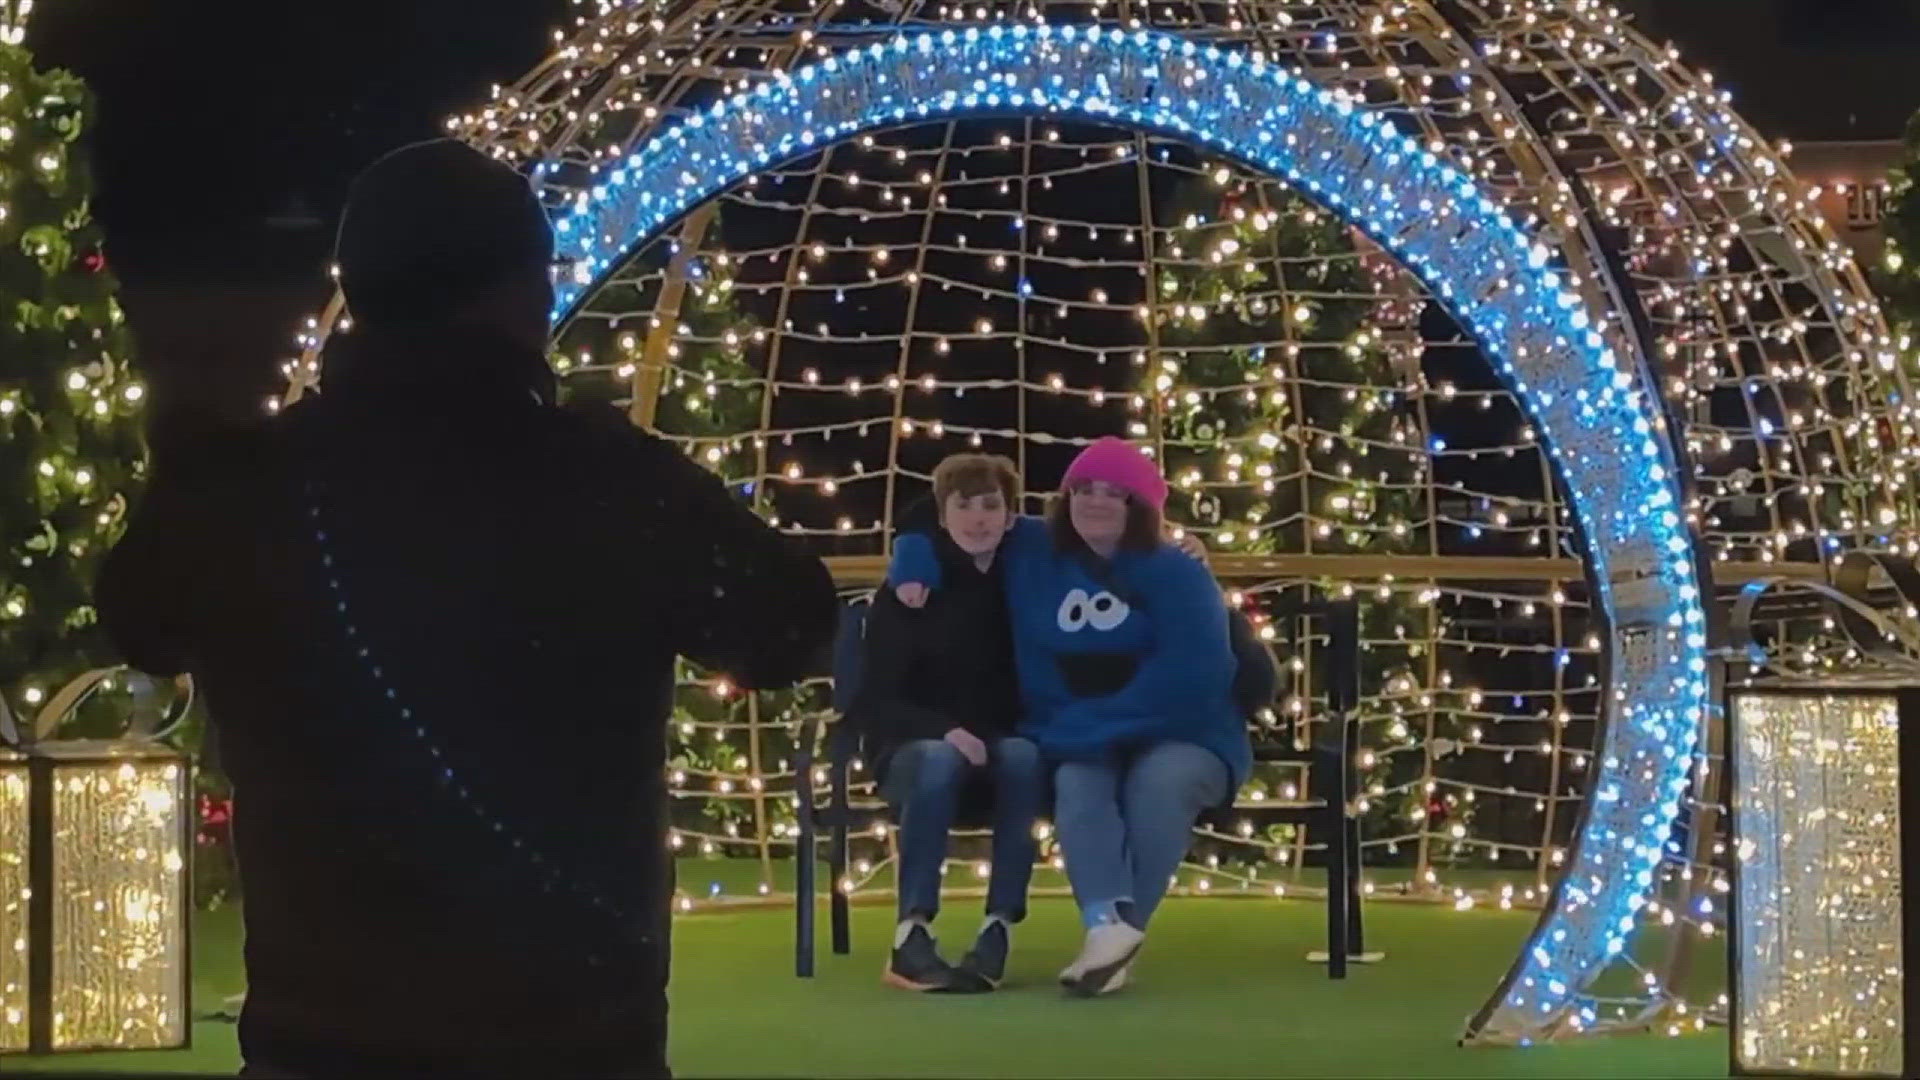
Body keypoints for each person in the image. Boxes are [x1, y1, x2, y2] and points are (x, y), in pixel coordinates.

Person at [95, 139, 838, 1079]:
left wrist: (191, 442)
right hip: (572, 1037)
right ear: (522, 292)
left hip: (319, 1033)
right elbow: (791, 622)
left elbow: (139, 619)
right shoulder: (604, 480)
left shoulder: (248, 486)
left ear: (357, 292)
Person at [889, 436, 1249, 999]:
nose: (1096, 501)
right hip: (1080, 732)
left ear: (1144, 507)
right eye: (1083, 488)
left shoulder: (1178, 572)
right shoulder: (1032, 546)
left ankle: (1116, 935)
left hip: (1182, 729)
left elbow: (1195, 676)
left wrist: (1094, 726)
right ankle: (1107, 926)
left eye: (1115, 492)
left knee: (1160, 783)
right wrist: (911, 553)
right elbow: (948, 503)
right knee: (1079, 783)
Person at [850, 453, 1045, 994]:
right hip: (914, 749)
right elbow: (877, 699)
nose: (978, 518)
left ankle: (998, 926)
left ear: (1010, 516)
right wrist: (945, 731)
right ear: (943, 515)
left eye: (991, 505)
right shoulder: (911, 589)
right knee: (939, 757)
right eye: (964, 505)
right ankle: (911, 933)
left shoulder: (1021, 582)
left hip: (997, 746)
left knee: (1026, 756)